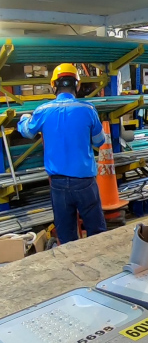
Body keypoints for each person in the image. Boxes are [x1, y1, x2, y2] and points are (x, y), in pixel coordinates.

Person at [18, 63, 107, 244]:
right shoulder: (88, 110)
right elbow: (100, 141)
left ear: (53, 86)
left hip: (58, 184)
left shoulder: (43, 111)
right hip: (85, 183)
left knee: (66, 235)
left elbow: (27, 132)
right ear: (78, 85)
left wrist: (24, 118)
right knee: (97, 232)